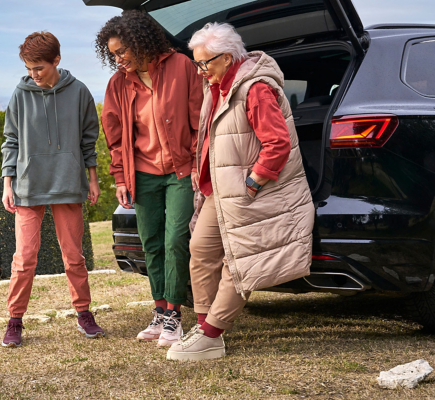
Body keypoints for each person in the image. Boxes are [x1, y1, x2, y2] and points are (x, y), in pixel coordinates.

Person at [166, 22, 314, 361]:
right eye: (197, 64)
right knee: (200, 249)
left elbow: (277, 144)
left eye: (206, 63)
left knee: (240, 260)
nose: (201, 71)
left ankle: (213, 330)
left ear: (229, 56)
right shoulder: (217, 85)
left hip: (247, 191)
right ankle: (204, 329)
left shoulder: (255, 88)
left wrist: (253, 182)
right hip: (218, 191)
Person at [96, 10, 203, 347]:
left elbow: (200, 118)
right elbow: (114, 137)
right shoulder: (117, 84)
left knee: (175, 240)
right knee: (151, 243)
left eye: (122, 51)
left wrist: (200, 163)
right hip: (141, 175)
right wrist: (121, 178)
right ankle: (159, 311)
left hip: (181, 171)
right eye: (112, 54)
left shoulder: (181, 67)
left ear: (140, 43)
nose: (118, 59)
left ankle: (174, 315)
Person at [0, 31, 103, 348]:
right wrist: (8, 183)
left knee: (74, 257)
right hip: (29, 186)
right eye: (29, 68)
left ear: (56, 60)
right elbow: (11, 141)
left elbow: (89, 141)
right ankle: (15, 320)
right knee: (24, 258)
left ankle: (83, 313)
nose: (33, 74)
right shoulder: (20, 94)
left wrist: (93, 178)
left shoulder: (80, 92)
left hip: (69, 184)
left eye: (39, 67)